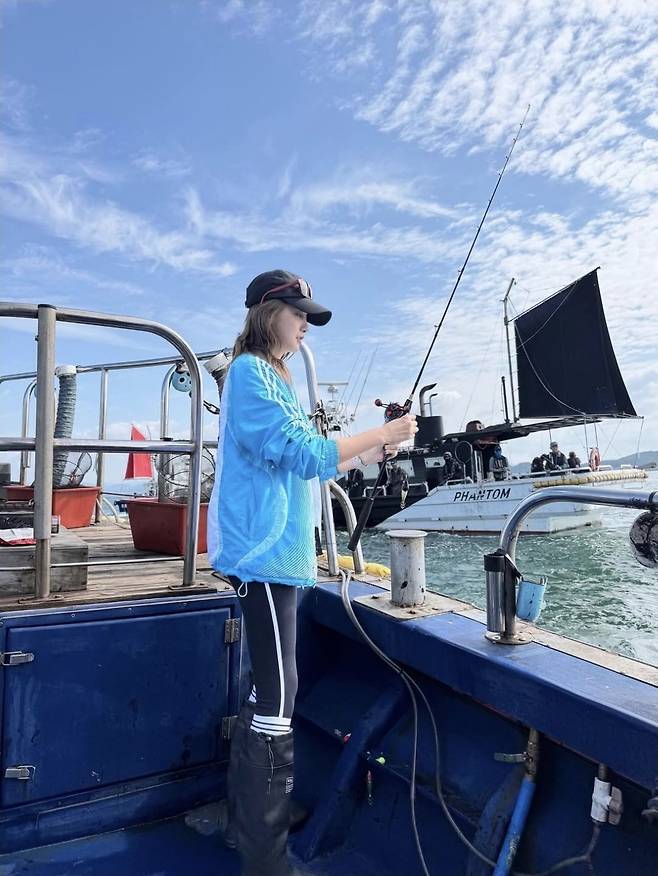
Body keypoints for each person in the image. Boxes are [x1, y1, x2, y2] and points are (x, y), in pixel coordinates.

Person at [207, 269, 418, 876]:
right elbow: (302, 453)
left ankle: (249, 820)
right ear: (265, 313)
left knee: (266, 688)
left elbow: (309, 461)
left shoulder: (273, 378)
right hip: (263, 557)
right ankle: (265, 854)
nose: (305, 324)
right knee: (278, 695)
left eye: (308, 316)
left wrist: (376, 449)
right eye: (297, 312)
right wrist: (382, 430)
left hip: (279, 556)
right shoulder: (250, 374)